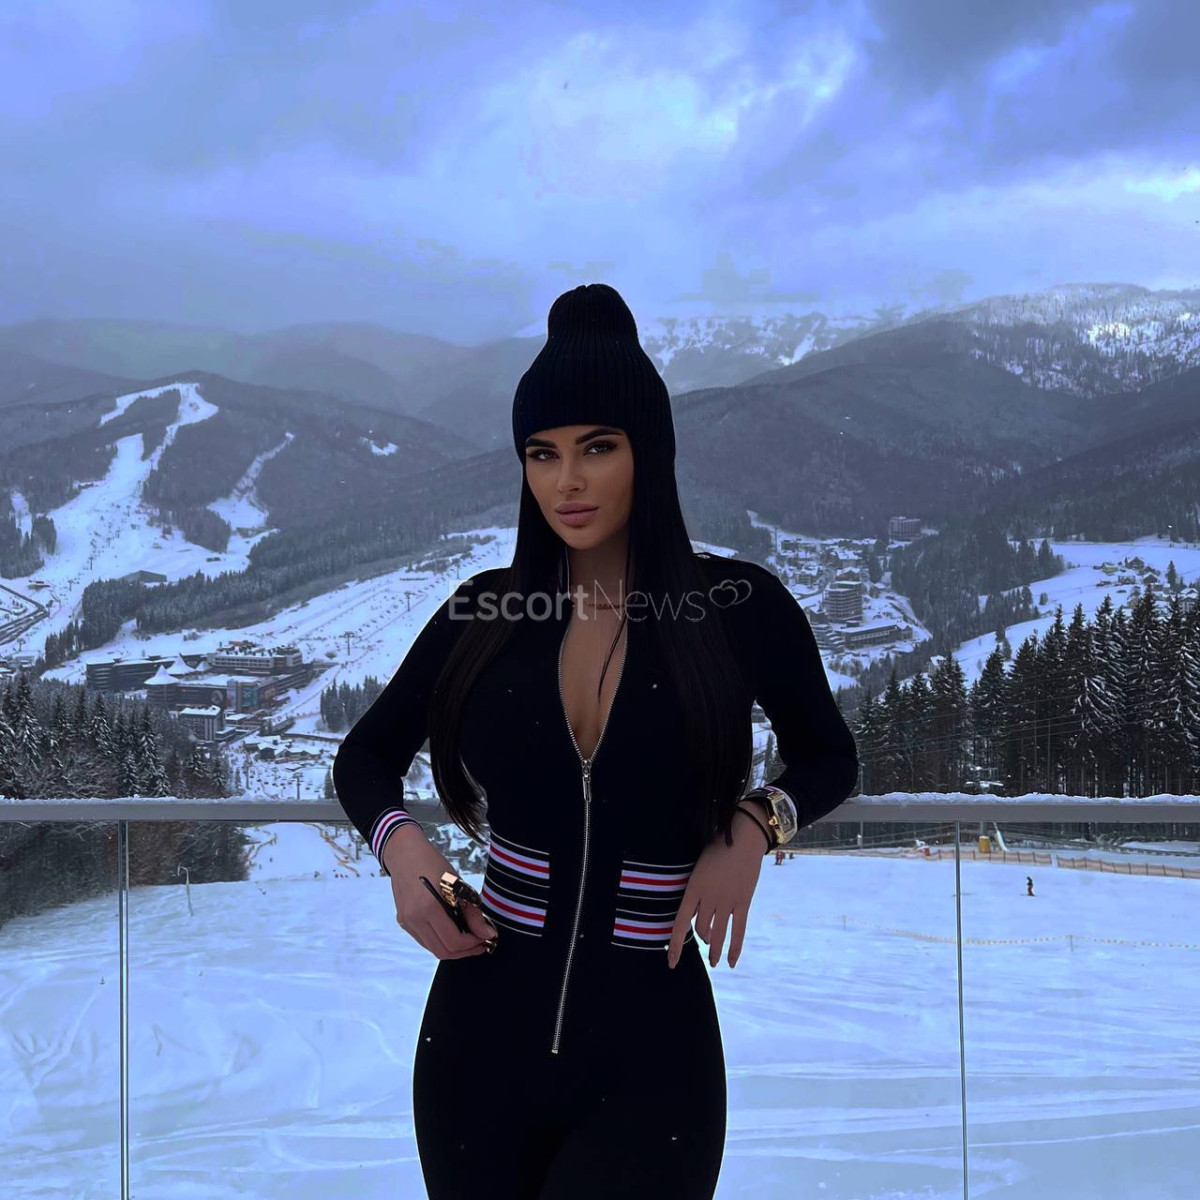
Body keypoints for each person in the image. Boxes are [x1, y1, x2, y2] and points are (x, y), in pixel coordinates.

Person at [332, 283, 860, 1199]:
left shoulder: (738, 609)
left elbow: (830, 756)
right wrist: (407, 852)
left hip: (654, 1056)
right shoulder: (485, 612)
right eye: (542, 453)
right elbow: (364, 756)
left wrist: (754, 825)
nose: (566, 482)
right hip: (474, 1043)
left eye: (597, 448)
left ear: (649, 452)